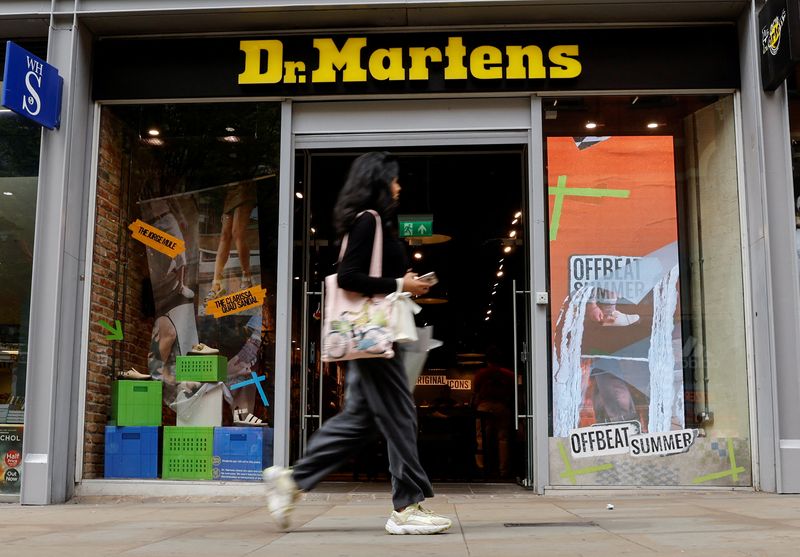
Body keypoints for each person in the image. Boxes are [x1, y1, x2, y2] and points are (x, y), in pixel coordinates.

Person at [262, 152, 452, 535]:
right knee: (401, 415)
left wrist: (403, 279)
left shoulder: (369, 223)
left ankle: (293, 481)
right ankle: (407, 507)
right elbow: (348, 277)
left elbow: (367, 275)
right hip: (373, 336)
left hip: (369, 337)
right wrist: (401, 284)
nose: (399, 187)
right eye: (394, 180)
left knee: (360, 420)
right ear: (379, 182)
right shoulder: (370, 221)